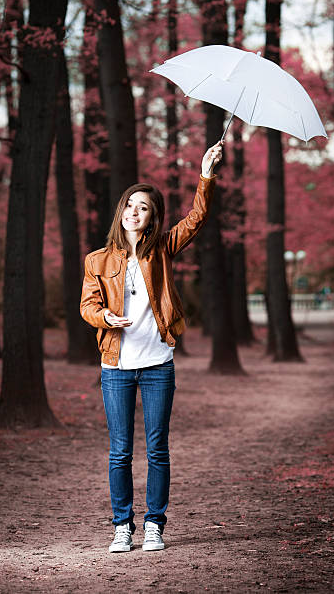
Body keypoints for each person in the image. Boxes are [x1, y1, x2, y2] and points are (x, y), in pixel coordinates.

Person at [80, 141, 223, 553]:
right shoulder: (97, 260)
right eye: (129, 205)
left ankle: (154, 524)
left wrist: (206, 174)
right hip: (116, 365)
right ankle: (122, 526)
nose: (134, 212)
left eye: (142, 207)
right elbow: (88, 305)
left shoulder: (162, 249)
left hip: (158, 362)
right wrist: (105, 318)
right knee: (120, 451)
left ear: (152, 215)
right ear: (120, 212)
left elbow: (196, 219)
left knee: (157, 449)